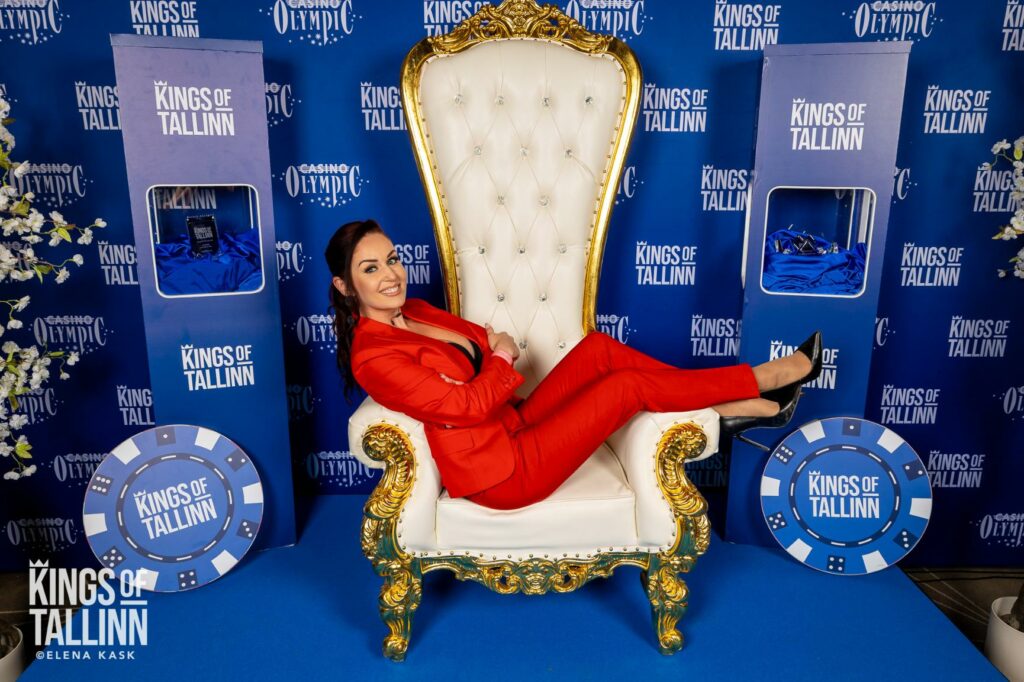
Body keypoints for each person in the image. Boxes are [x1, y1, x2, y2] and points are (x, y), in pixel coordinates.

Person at [326, 219, 821, 510]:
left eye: (393, 259)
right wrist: (501, 356)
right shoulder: (373, 356)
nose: (391, 275)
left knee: (599, 350)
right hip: (501, 473)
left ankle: (728, 403)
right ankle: (761, 380)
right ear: (345, 286)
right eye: (371, 268)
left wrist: (492, 353)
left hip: (511, 421)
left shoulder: (414, 310)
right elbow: (469, 402)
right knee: (625, 388)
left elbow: (480, 338)